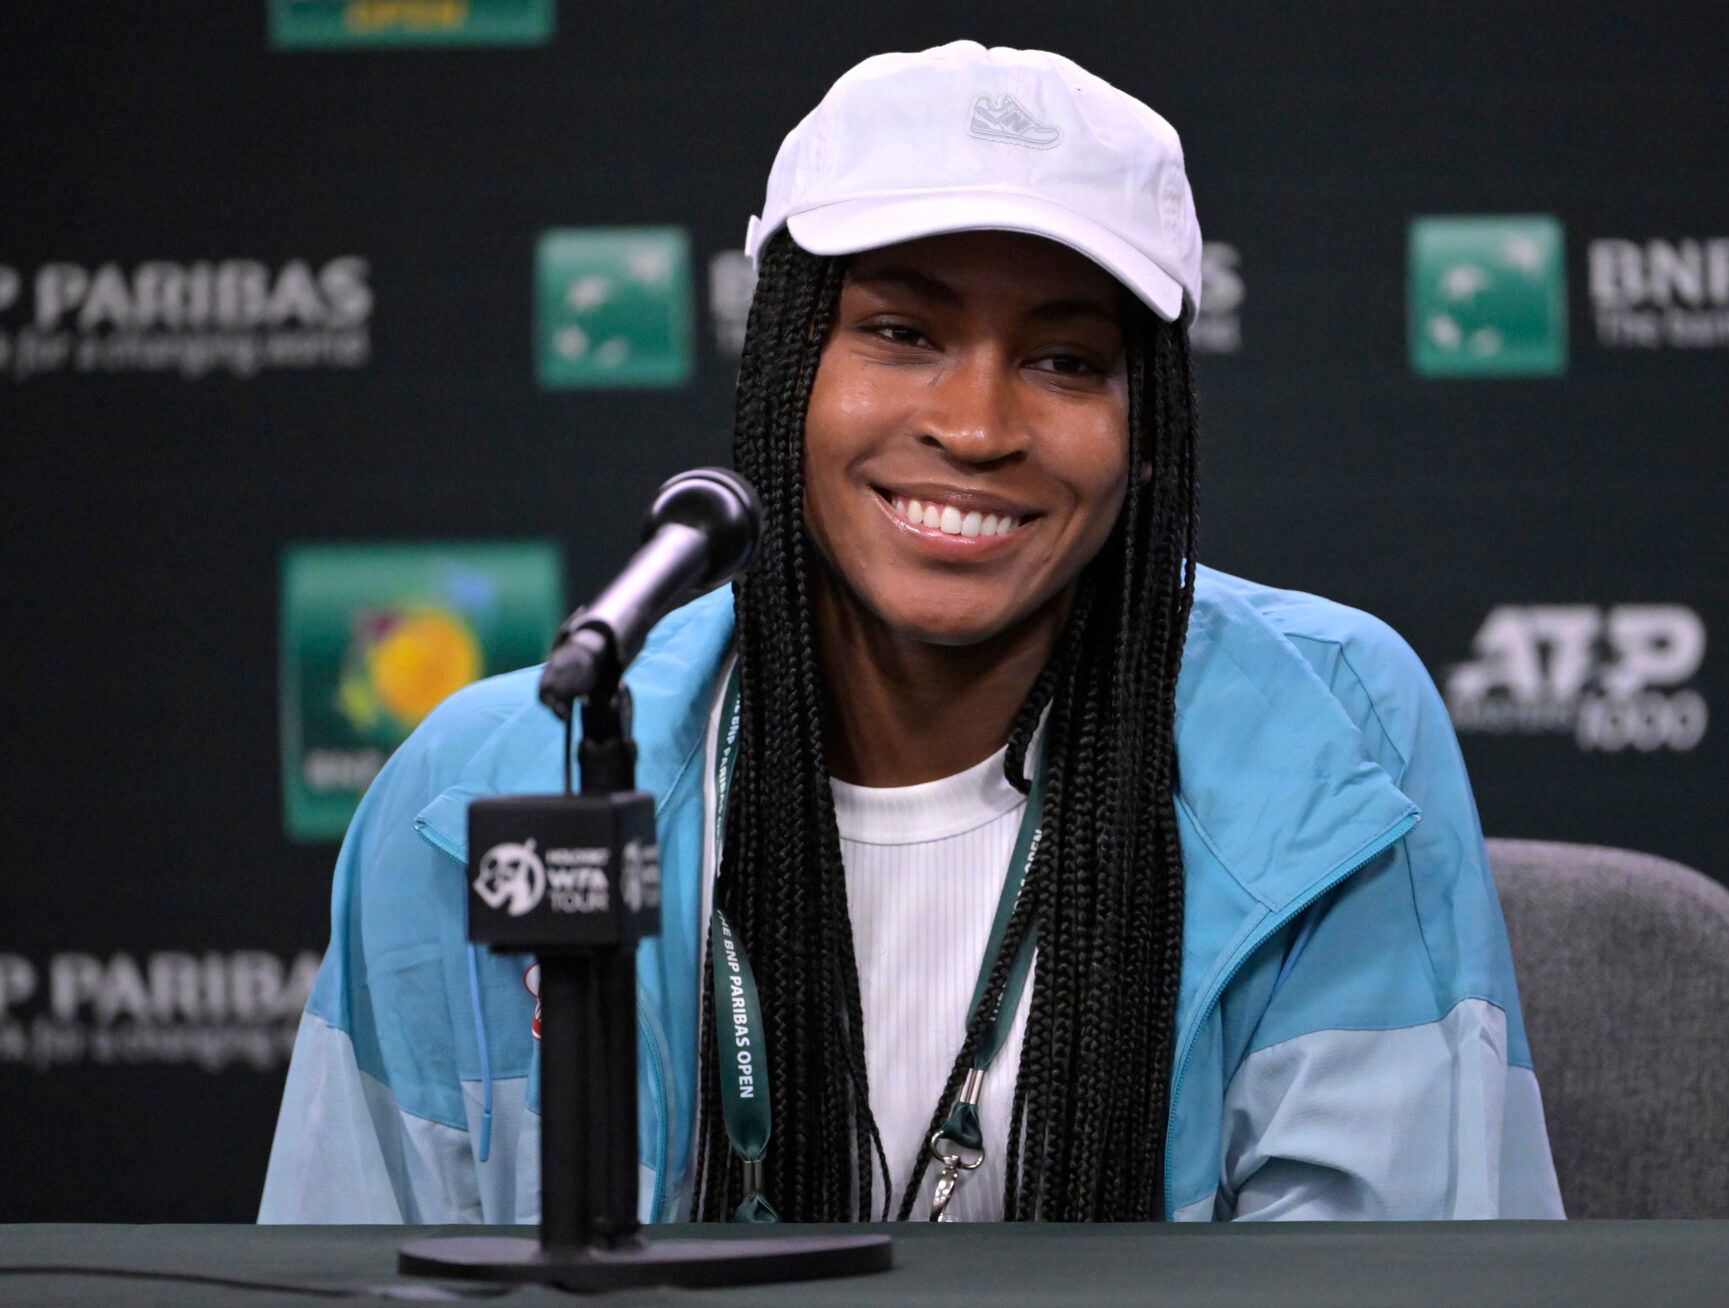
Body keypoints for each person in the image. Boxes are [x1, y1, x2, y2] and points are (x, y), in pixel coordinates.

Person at [260, 40, 1563, 1225]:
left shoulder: (1333, 736)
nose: (977, 425)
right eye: (900, 332)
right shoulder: (485, 792)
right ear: (786, 364)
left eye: (1065, 361)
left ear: (1148, 422)